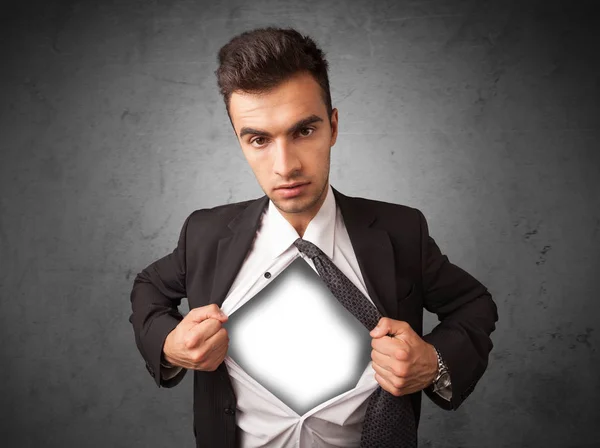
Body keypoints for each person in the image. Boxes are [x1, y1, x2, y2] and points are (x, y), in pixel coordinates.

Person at [129, 27, 499, 448]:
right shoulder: (204, 233)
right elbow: (149, 289)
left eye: (303, 131)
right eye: (259, 140)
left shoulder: (401, 231)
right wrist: (169, 345)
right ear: (239, 142)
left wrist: (433, 363)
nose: (285, 166)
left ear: (333, 126)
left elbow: (474, 304)